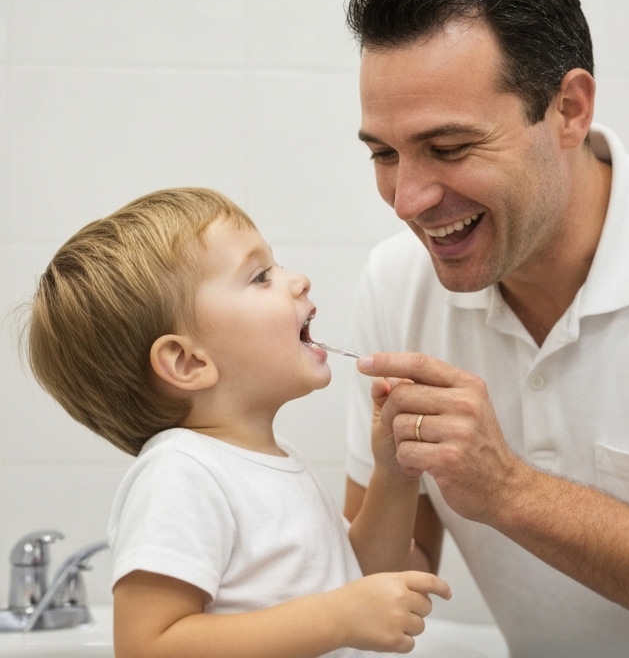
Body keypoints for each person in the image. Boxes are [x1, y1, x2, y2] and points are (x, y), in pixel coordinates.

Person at [339, 0, 629, 656]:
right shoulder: (397, 282)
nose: (407, 200)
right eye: (384, 153)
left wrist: (510, 491)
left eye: (450, 148)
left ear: (569, 109)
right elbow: (387, 586)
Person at [22, 188, 449, 658]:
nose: (298, 280)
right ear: (187, 362)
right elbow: (145, 646)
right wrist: (336, 618)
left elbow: (360, 580)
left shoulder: (274, 464)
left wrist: (394, 473)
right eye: (260, 276)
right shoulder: (181, 474)